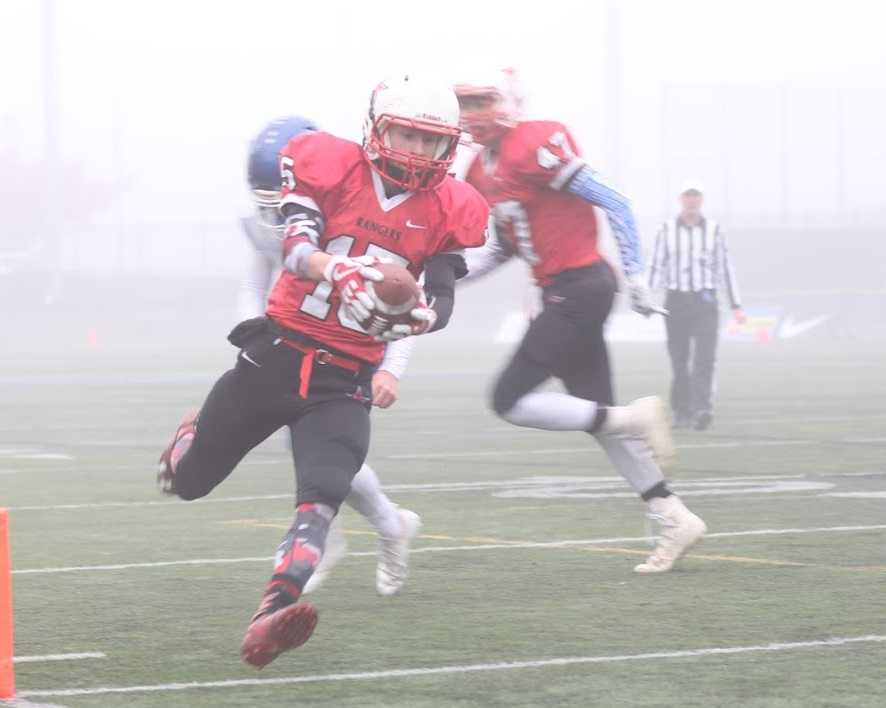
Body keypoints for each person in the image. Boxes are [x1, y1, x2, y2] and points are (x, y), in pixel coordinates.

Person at [157, 75, 489, 668]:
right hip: (276, 357)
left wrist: (413, 316)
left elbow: (441, 301)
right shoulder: (328, 165)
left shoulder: (450, 208)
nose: (417, 152)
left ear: (450, 147)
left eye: (431, 141)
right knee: (189, 483)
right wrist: (341, 273)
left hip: (345, 382)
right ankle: (185, 441)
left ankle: (270, 616)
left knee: (321, 498)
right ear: (378, 130)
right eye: (406, 135)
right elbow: (294, 246)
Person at [453, 69, 706, 575]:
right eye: (465, 102)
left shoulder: (534, 142)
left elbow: (614, 199)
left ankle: (636, 417)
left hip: (581, 286)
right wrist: (441, 278)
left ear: (507, 101)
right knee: (601, 419)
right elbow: (503, 248)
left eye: (482, 101)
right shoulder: (478, 170)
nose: (472, 114)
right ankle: (674, 516)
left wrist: (635, 274)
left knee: (509, 399)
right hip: (564, 290)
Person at [241, 115, 421, 597]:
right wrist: (255, 344)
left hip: (351, 345)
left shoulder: (355, 206)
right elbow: (255, 284)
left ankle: (367, 530)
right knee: (309, 449)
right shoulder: (276, 220)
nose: (278, 209)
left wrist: (393, 368)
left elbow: (403, 299)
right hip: (292, 342)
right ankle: (371, 528)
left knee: (322, 450)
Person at [648, 181, 745, 430]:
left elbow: (724, 267)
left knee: (705, 358)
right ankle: (682, 409)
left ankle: (702, 409)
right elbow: (657, 266)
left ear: (701, 200)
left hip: (705, 300)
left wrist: (736, 304)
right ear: (681, 199)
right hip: (677, 300)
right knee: (679, 360)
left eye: (696, 196)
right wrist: (647, 298)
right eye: (687, 196)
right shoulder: (666, 230)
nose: (691, 200)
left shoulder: (714, 231)